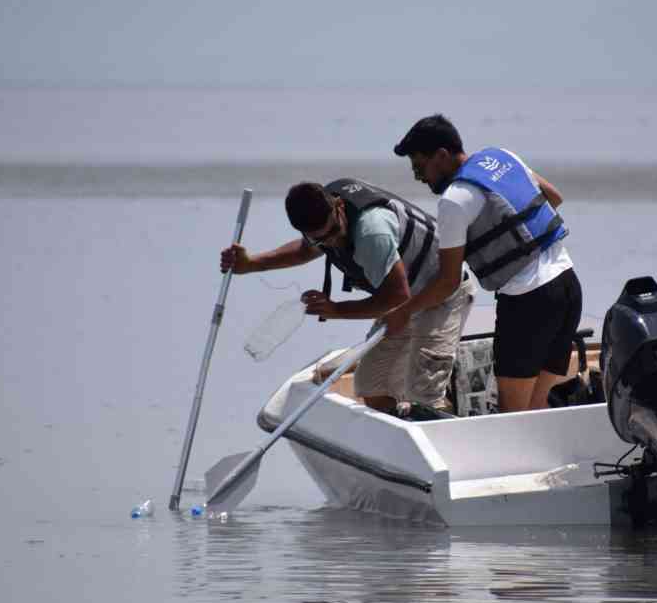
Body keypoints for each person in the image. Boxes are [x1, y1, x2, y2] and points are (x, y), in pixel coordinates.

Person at [221, 179, 476, 413]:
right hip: (405, 302)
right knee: (371, 386)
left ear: (339, 205)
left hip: (442, 293)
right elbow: (303, 251)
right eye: (320, 240)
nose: (331, 242)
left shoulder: (371, 232)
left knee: (424, 395)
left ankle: (444, 416)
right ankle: (404, 431)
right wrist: (252, 264)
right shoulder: (322, 221)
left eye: (333, 232)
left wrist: (336, 310)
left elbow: (396, 296)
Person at [392, 114, 583, 412]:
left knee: (513, 414)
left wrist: (405, 311)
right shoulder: (502, 157)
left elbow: (448, 283)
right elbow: (554, 198)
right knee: (538, 405)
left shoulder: (454, 200)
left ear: (441, 156)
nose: (419, 177)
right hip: (568, 285)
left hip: (528, 302)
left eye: (419, 166)